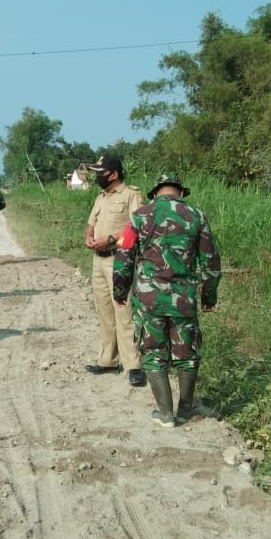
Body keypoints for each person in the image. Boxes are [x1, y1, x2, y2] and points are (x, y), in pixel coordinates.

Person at [112, 172, 222, 427]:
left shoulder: (139, 216)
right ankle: (185, 409)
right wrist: (209, 296)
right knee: (187, 354)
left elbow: (124, 256)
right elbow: (211, 261)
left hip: (149, 300)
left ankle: (165, 414)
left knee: (153, 354)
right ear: (181, 192)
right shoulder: (197, 216)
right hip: (184, 300)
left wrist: (120, 291)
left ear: (154, 193)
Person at [83, 155, 146, 387]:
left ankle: (133, 365)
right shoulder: (101, 196)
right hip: (97, 261)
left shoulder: (131, 196)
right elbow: (91, 223)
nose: (98, 177)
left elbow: (136, 227)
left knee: (124, 309)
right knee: (104, 311)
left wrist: (109, 239)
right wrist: (89, 237)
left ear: (114, 174)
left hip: (118, 260)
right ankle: (108, 360)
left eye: (101, 172)